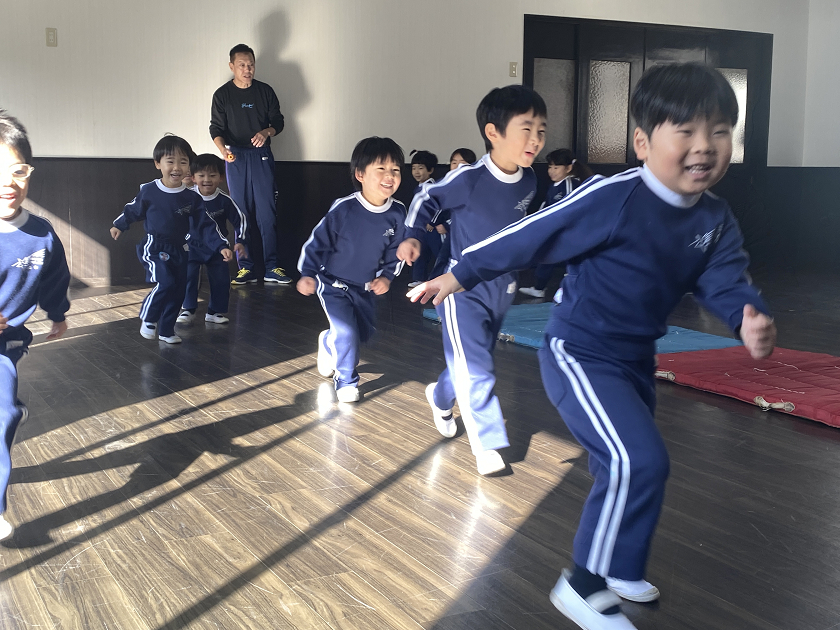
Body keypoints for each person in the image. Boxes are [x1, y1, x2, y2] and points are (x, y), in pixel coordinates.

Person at [408, 63, 777, 629]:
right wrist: (457, 275)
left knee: (625, 462)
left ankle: (621, 565)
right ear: (642, 143)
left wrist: (744, 314)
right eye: (686, 131)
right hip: (579, 351)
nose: (705, 146)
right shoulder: (615, 196)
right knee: (637, 458)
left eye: (721, 131)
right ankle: (583, 586)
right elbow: (531, 235)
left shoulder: (715, 217)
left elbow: (723, 278)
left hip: (636, 358)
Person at [399, 85, 546, 475]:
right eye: (526, 129)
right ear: (493, 132)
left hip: (503, 288)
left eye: (541, 131)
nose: (535, 140)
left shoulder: (530, 181)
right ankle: (488, 445)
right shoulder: (468, 179)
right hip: (459, 288)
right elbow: (426, 198)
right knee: (478, 368)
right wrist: (412, 235)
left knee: (471, 361)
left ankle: (440, 396)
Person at [0, 111, 71, 541]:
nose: (8, 182)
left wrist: (57, 313)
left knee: (0, 413)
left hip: (5, 344)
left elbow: (54, 279)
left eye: (17, 170)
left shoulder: (41, 236)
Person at [296, 137, 406, 403]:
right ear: (360, 174)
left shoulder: (398, 212)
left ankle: (327, 343)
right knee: (347, 333)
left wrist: (387, 276)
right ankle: (346, 381)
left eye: (395, 170)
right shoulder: (344, 208)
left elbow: (397, 250)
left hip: (365, 288)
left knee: (361, 335)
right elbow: (317, 242)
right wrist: (307, 273)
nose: (389, 176)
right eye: (381, 169)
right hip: (333, 284)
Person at [110, 136, 232, 344]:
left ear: (189, 167)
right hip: (154, 246)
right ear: (158, 164)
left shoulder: (192, 198)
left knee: (178, 290)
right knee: (165, 282)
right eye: (170, 161)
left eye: (183, 162)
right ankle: (149, 317)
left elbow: (206, 224)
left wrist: (221, 245)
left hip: (180, 249)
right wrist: (119, 225)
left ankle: (166, 331)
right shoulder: (149, 190)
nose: (177, 167)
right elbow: (133, 209)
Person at [210, 43, 291, 286]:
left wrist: (266, 132)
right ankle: (245, 267)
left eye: (251, 65)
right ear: (232, 66)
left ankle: (272, 267)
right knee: (240, 214)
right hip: (235, 157)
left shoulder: (265, 91)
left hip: (261, 155)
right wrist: (222, 150)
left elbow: (278, 121)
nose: (248, 70)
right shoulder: (222, 95)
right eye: (242, 65)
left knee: (267, 213)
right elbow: (216, 128)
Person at [177, 153, 248, 325]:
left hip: (218, 248)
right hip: (191, 245)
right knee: (188, 277)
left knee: (221, 280)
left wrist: (240, 241)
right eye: (201, 175)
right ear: (193, 178)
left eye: (212, 175)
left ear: (221, 177)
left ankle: (215, 312)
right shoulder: (187, 198)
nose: (207, 180)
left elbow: (240, 220)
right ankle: (188, 309)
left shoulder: (225, 200)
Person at [519, 148, 593, 298]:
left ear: (569, 168)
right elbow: (547, 207)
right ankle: (540, 288)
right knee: (547, 257)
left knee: (569, 261)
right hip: (556, 230)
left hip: (570, 232)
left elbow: (571, 210)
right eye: (550, 167)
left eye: (556, 167)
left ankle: (568, 290)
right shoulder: (556, 185)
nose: (551, 171)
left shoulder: (569, 184)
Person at [427, 148, 478, 278]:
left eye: (462, 163)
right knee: (443, 258)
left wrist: (447, 225)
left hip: (470, 233)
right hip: (452, 233)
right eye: (454, 162)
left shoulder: (476, 186)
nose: (457, 166)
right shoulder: (447, 185)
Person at [407, 150, 440, 287]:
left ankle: (441, 280)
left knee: (439, 254)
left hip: (433, 229)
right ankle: (419, 279)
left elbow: (440, 207)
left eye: (420, 168)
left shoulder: (433, 187)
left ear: (430, 170)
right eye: (414, 168)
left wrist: (433, 222)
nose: (416, 172)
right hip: (422, 229)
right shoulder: (419, 188)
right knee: (421, 253)